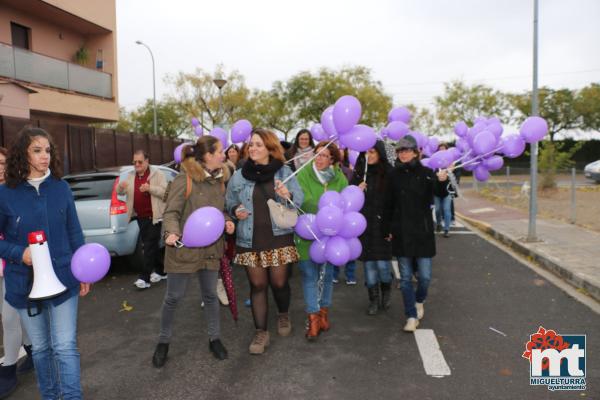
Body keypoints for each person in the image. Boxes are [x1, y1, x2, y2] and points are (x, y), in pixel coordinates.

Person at [0, 127, 90, 399]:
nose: (44, 156)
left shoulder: (61, 188)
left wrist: (83, 269)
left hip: (64, 279)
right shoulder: (5, 193)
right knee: (40, 349)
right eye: (37, 150)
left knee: (65, 346)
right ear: (22, 155)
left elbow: (74, 231)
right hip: (24, 285)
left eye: (47, 150)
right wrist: (19, 252)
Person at [152, 136, 235, 367]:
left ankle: (215, 338)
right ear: (208, 155)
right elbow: (171, 213)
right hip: (183, 250)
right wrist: (171, 232)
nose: (224, 155)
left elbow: (220, 212)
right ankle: (163, 342)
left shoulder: (219, 182)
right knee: (173, 298)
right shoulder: (184, 179)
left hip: (211, 248)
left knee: (210, 296)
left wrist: (227, 221)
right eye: (220, 151)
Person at [225, 128, 303, 354]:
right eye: (251, 145)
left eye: (258, 144)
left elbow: (299, 200)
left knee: (279, 283)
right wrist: (236, 209)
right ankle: (261, 333)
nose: (253, 148)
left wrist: (288, 195)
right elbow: (229, 201)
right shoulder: (239, 175)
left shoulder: (284, 172)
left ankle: (283, 314)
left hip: (279, 237)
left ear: (269, 148)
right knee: (257, 286)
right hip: (250, 240)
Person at [384, 134, 441, 332]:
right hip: (401, 233)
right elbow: (388, 205)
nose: (403, 154)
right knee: (405, 278)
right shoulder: (392, 175)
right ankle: (410, 315)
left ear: (416, 152)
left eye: (407, 150)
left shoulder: (427, 172)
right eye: (400, 151)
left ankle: (419, 300)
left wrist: (441, 181)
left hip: (422, 233)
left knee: (424, 277)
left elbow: (439, 193)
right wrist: (387, 229)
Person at [296, 141, 348, 340]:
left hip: (331, 237)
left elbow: (345, 203)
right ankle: (313, 319)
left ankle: (323, 314)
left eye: (324, 156)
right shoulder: (303, 174)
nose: (319, 159)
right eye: (317, 154)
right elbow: (304, 200)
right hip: (307, 233)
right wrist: (325, 209)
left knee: (326, 277)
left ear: (332, 159)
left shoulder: (339, 177)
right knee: (309, 277)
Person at [0, 146, 34, 397]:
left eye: (2, 163)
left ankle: (8, 372)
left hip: (13, 266)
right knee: (20, 317)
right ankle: (35, 353)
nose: (0, 168)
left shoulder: (15, 194)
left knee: (9, 318)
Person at [351, 141, 393, 315]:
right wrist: (356, 191)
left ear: (380, 154)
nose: (370, 155)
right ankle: (373, 299)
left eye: (373, 152)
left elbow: (394, 203)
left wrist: (391, 228)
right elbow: (349, 202)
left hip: (383, 227)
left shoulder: (389, 174)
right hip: (365, 227)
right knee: (369, 268)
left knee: (383, 266)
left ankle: (386, 290)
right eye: (367, 153)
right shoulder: (359, 175)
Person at [117, 150, 167, 289]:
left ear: (147, 161)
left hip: (155, 216)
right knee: (152, 245)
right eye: (134, 162)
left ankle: (144, 278)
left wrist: (150, 188)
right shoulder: (130, 175)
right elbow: (120, 192)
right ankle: (161, 271)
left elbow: (165, 192)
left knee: (149, 246)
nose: (137, 164)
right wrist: (120, 187)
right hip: (140, 217)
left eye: (140, 162)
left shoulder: (157, 174)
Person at [333, 147, 356, 285]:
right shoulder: (329, 173)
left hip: (349, 211)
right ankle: (335, 272)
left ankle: (350, 274)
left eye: (342, 149)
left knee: (350, 242)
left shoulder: (350, 172)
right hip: (334, 211)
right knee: (335, 242)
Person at [433, 143, 454, 237]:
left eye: (444, 149)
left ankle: (447, 229)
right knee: (437, 210)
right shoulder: (434, 164)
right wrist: (436, 176)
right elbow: (430, 176)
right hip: (436, 192)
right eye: (440, 149)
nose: (442, 151)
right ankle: (438, 224)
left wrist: (449, 175)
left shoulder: (451, 165)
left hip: (447, 192)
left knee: (446, 210)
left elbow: (455, 178)